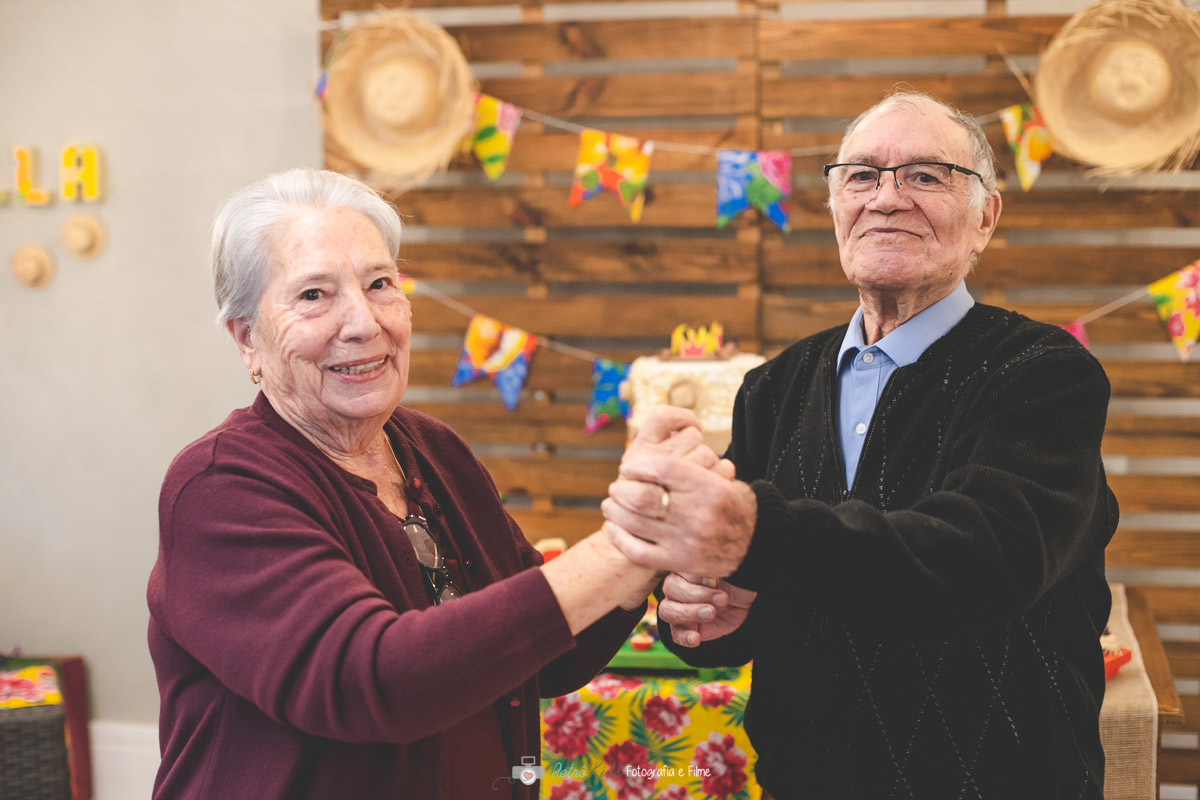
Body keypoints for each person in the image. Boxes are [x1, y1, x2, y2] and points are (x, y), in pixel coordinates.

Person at [146, 168, 727, 800]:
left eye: (379, 284)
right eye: (314, 295)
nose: (363, 322)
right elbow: (375, 680)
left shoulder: (434, 449)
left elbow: (546, 657)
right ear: (247, 338)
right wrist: (626, 547)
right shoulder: (219, 487)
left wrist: (653, 550)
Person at [602, 91, 1119, 799]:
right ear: (836, 206)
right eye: (861, 176)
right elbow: (740, 600)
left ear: (985, 219)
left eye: (926, 176)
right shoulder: (772, 387)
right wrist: (705, 611)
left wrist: (751, 535)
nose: (886, 198)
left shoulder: (1044, 374)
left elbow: (983, 556)